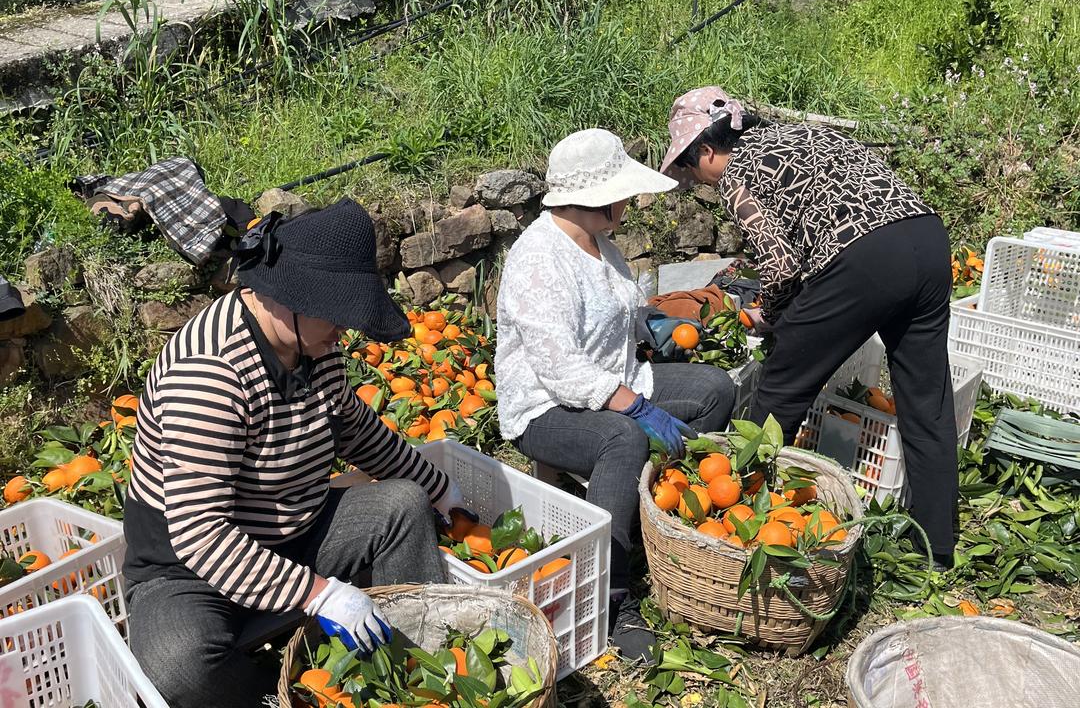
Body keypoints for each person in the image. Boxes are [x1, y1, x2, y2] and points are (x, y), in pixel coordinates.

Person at [123, 199, 472, 708]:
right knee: (180, 664)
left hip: (293, 527)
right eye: (336, 314)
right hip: (189, 568)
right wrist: (317, 594)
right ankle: (282, 694)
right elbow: (201, 533)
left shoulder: (313, 345)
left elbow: (355, 430)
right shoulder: (210, 373)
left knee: (401, 505)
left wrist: (439, 488)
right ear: (289, 296)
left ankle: (412, 669)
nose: (344, 330)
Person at [661, 86, 958, 570]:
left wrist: (774, 316)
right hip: (926, 238)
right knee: (927, 400)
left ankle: (742, 522)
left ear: (708, 151)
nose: (700, 182)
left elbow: (780, 267)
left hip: (864, 257)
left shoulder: (737, 175)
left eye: (692, 170)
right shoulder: (802, 134)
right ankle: (938, 550)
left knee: (780, 387)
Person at [497, 129, 736, 661]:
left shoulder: (601, 245)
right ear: (595, 198)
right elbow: (559, 367)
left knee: (715, 389)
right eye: (623, 193)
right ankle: (610, 593)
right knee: (623, 439)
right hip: (546, 405)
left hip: (618, 378)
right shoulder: (538, 259)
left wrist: (649, 326)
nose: (629, 201)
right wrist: (635, 405)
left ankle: (662, 512)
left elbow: (616, 312)